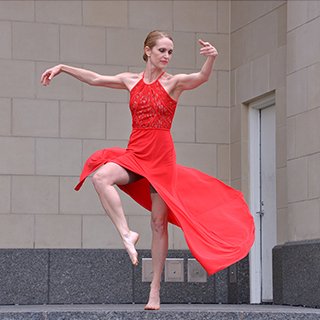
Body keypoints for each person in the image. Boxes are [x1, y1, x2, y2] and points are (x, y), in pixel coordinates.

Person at [41, 30, 255, 310]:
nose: (166, 56)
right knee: (102, 177)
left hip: (162, 158)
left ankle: (154, 289)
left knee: (158, 223)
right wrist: (63, 67)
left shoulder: (174, 83)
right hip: (136, 152)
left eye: (170, 52)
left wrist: (211, 59)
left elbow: (201, 78)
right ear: (148, 51)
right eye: (162, 51)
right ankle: (126, 233)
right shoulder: (131, 80)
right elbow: (94, 79)